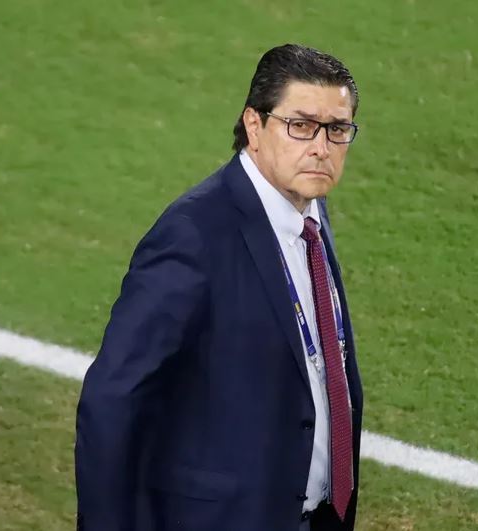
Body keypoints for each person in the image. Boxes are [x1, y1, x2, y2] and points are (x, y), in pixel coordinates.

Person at [75, 43, 364, 531]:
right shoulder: (193, 235)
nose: (321, 147)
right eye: (301, 125)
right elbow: (114, 397)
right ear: (254, 125)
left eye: (337, 129)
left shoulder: (310, 212)